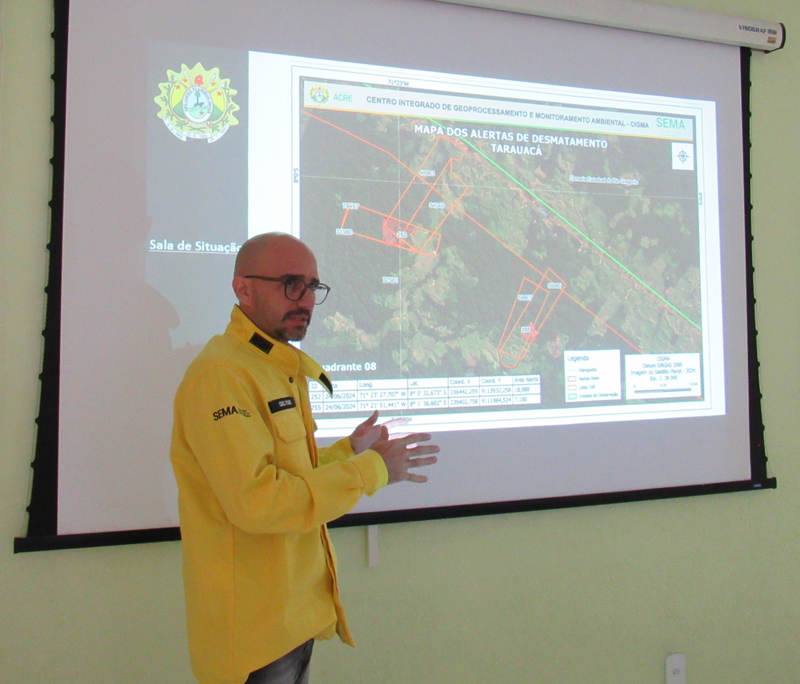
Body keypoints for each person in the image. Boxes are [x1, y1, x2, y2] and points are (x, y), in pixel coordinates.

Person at [170, 232, 439, 684]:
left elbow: (292, 477)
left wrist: (348, 453)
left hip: (292, 620)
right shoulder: (222, 376)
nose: (306, 300)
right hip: (253, 636)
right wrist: (372, 469)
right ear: (244, 289)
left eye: (313, 287)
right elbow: (259, 502)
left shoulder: (275, 367)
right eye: (291, 283)